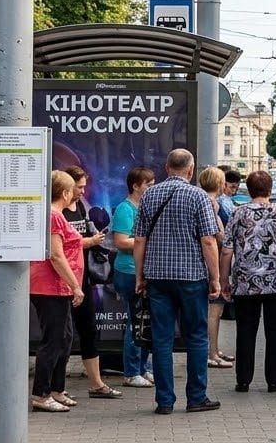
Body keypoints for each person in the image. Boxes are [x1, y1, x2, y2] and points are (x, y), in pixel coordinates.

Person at [133, 149, 221, 415]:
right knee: (197, 337)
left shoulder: (149, 195)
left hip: (158, 277)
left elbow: (139, 240)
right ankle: (196, 397)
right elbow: (208, 240)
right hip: (191, 277)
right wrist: (215, 278)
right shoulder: (198, 196)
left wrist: (140, 275)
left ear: (166, 168)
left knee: (161, 339)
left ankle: (164, 401)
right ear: (190, 170)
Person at [221, 170, 276, 394]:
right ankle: (274, 381)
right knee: (275, 332)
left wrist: (224, 279)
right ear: (269, 189)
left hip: (245, 282)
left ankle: (243, 380)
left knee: (245, 331)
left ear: (248, 189)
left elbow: (226, 250)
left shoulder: (238, 213)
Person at [61, 165, 121, 399]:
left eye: (84, 187)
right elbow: (60, 247)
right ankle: (57, 386)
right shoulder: (57, 211)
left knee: (89, 330)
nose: (82, 192)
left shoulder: (80, 207)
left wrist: (96, 238)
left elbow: (84, 235)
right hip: (63, 280)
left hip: (82, 277)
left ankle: (97, 384)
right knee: (62, 335)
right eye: (79, 187)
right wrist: (89, 242)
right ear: (66, 187)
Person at [30, 171, 86, 412]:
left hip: (57, 287)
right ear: (65, 193)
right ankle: (41, 394)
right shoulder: (53, 216)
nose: (76, 193)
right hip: (51, 287)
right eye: (73, 189)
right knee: (53, 341)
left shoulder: (55, 214)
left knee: (65, 338)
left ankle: (56, 389)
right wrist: (75, 285)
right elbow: (56, 255)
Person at [111, 166, 154, 389]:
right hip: (128, 271)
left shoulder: (145, 207)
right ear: (136, 186)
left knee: (145, 321)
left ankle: (143, 367)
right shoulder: (125, 209)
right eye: (148, 184)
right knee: (135, 321)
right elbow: (120, 241)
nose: (152, 188)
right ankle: (131, 371)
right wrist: (144, 242)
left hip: (143, 270)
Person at [199, 167, 234, 370]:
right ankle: (211, 353)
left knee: (215, 311)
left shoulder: (208, 201)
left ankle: (214, 349)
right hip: (214, 262)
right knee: (214, 312)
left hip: (210, 261)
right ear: (220, 183)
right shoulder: (211, 204)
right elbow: (214, 236)